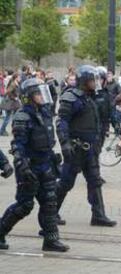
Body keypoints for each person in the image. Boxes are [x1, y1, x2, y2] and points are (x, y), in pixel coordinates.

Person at [0, 78, 68, 252]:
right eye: (38, 93)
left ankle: (51, 241)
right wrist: (22, 166)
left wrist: (54, 158)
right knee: (25, 205)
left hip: (46, 164)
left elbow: (47, 140)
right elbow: (17, 145)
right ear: (29, 96)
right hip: (30, 166)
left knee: (49, 202)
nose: (41, 96)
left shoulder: (45, 113)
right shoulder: (22, 116)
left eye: (42, 92)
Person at [56, 65, 117, 227]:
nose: (95, 83)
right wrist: (65, 143)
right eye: (92, 80)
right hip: (76, 148)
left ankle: (98, 215)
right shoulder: (71, 97)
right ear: (84, 80)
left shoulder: (90, 97)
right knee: (66, 182)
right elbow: (62, 122)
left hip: (90, 148)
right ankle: (50, 212)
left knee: (95, 181)